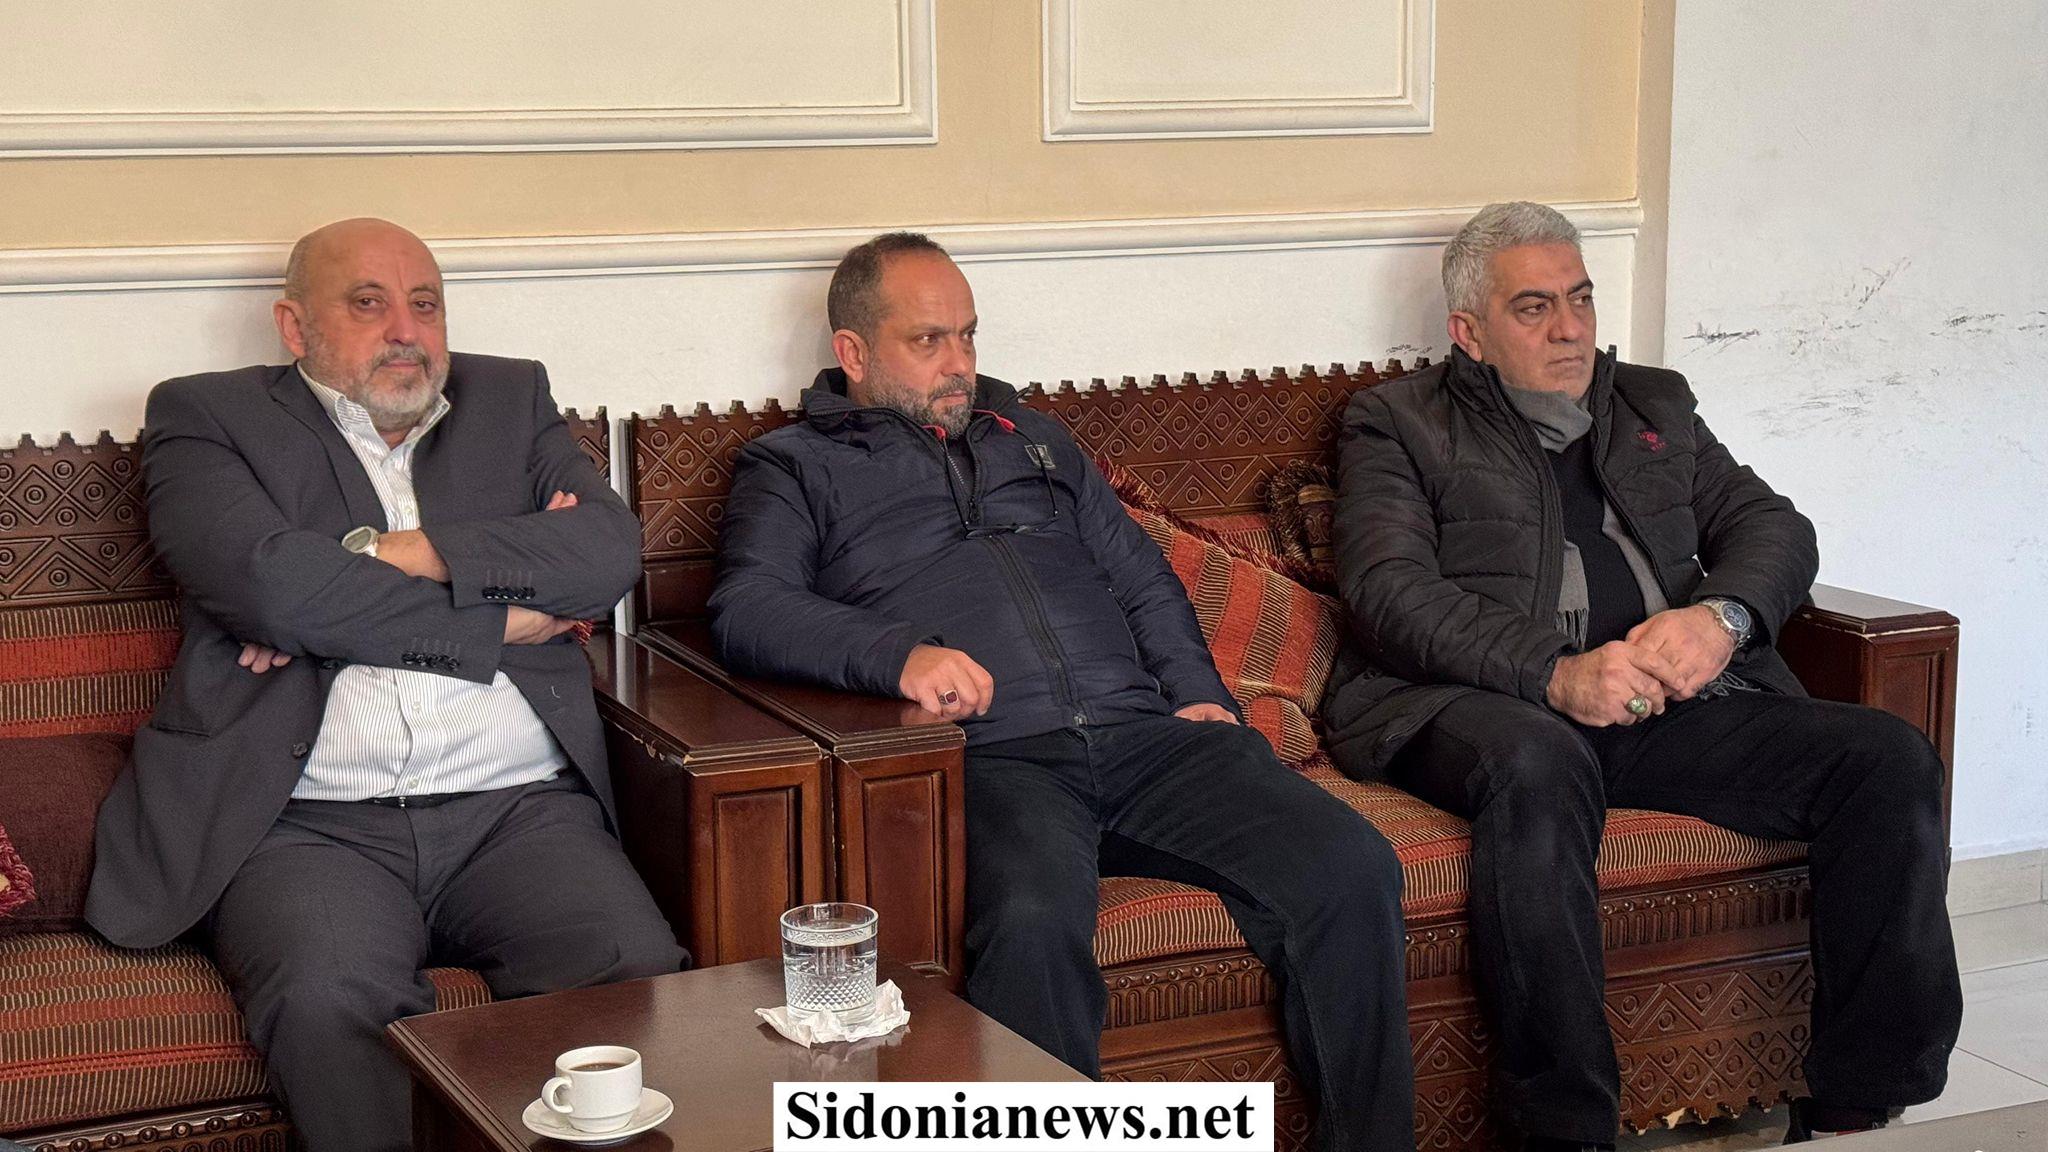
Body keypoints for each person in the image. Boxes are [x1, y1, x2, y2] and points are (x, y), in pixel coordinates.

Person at [709, 232, 1414, 1150]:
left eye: (968, 335)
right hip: (998, 758)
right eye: (928, 341)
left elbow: (1142, 579)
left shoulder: (1037, 441)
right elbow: (747, 607)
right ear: (853, 351)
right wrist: (899, 656)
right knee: (1033, 924)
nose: (959, 364)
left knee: (1353, 866)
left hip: (1146, 739)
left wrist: (1199, 693)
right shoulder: (794, 465)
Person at [1321, 202, 1961, 1148]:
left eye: (1580, 299)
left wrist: (1721, 620)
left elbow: (1774, 527)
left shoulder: (1653, 404)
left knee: (1888, 759)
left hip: (1667, 705)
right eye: (1534, 307)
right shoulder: (1399, 422)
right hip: (1481, 703)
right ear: (1469, 331)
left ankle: (1860, 1102)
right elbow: (1389, 591)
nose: (1570, 329)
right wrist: (1556, 672)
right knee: (1541, 765)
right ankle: (1564, 1125)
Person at [85, 218, 684, 1151]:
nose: (406, 329)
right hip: (305, 823)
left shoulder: (509, 398)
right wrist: (500, 618)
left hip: (517, 811)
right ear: (295, 327)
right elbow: (270, 589)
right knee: (328, 998)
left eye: (425, 304)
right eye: (368, 303)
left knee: (628, 963)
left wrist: (388, 556)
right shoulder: (207, 416)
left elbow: (606, 552)